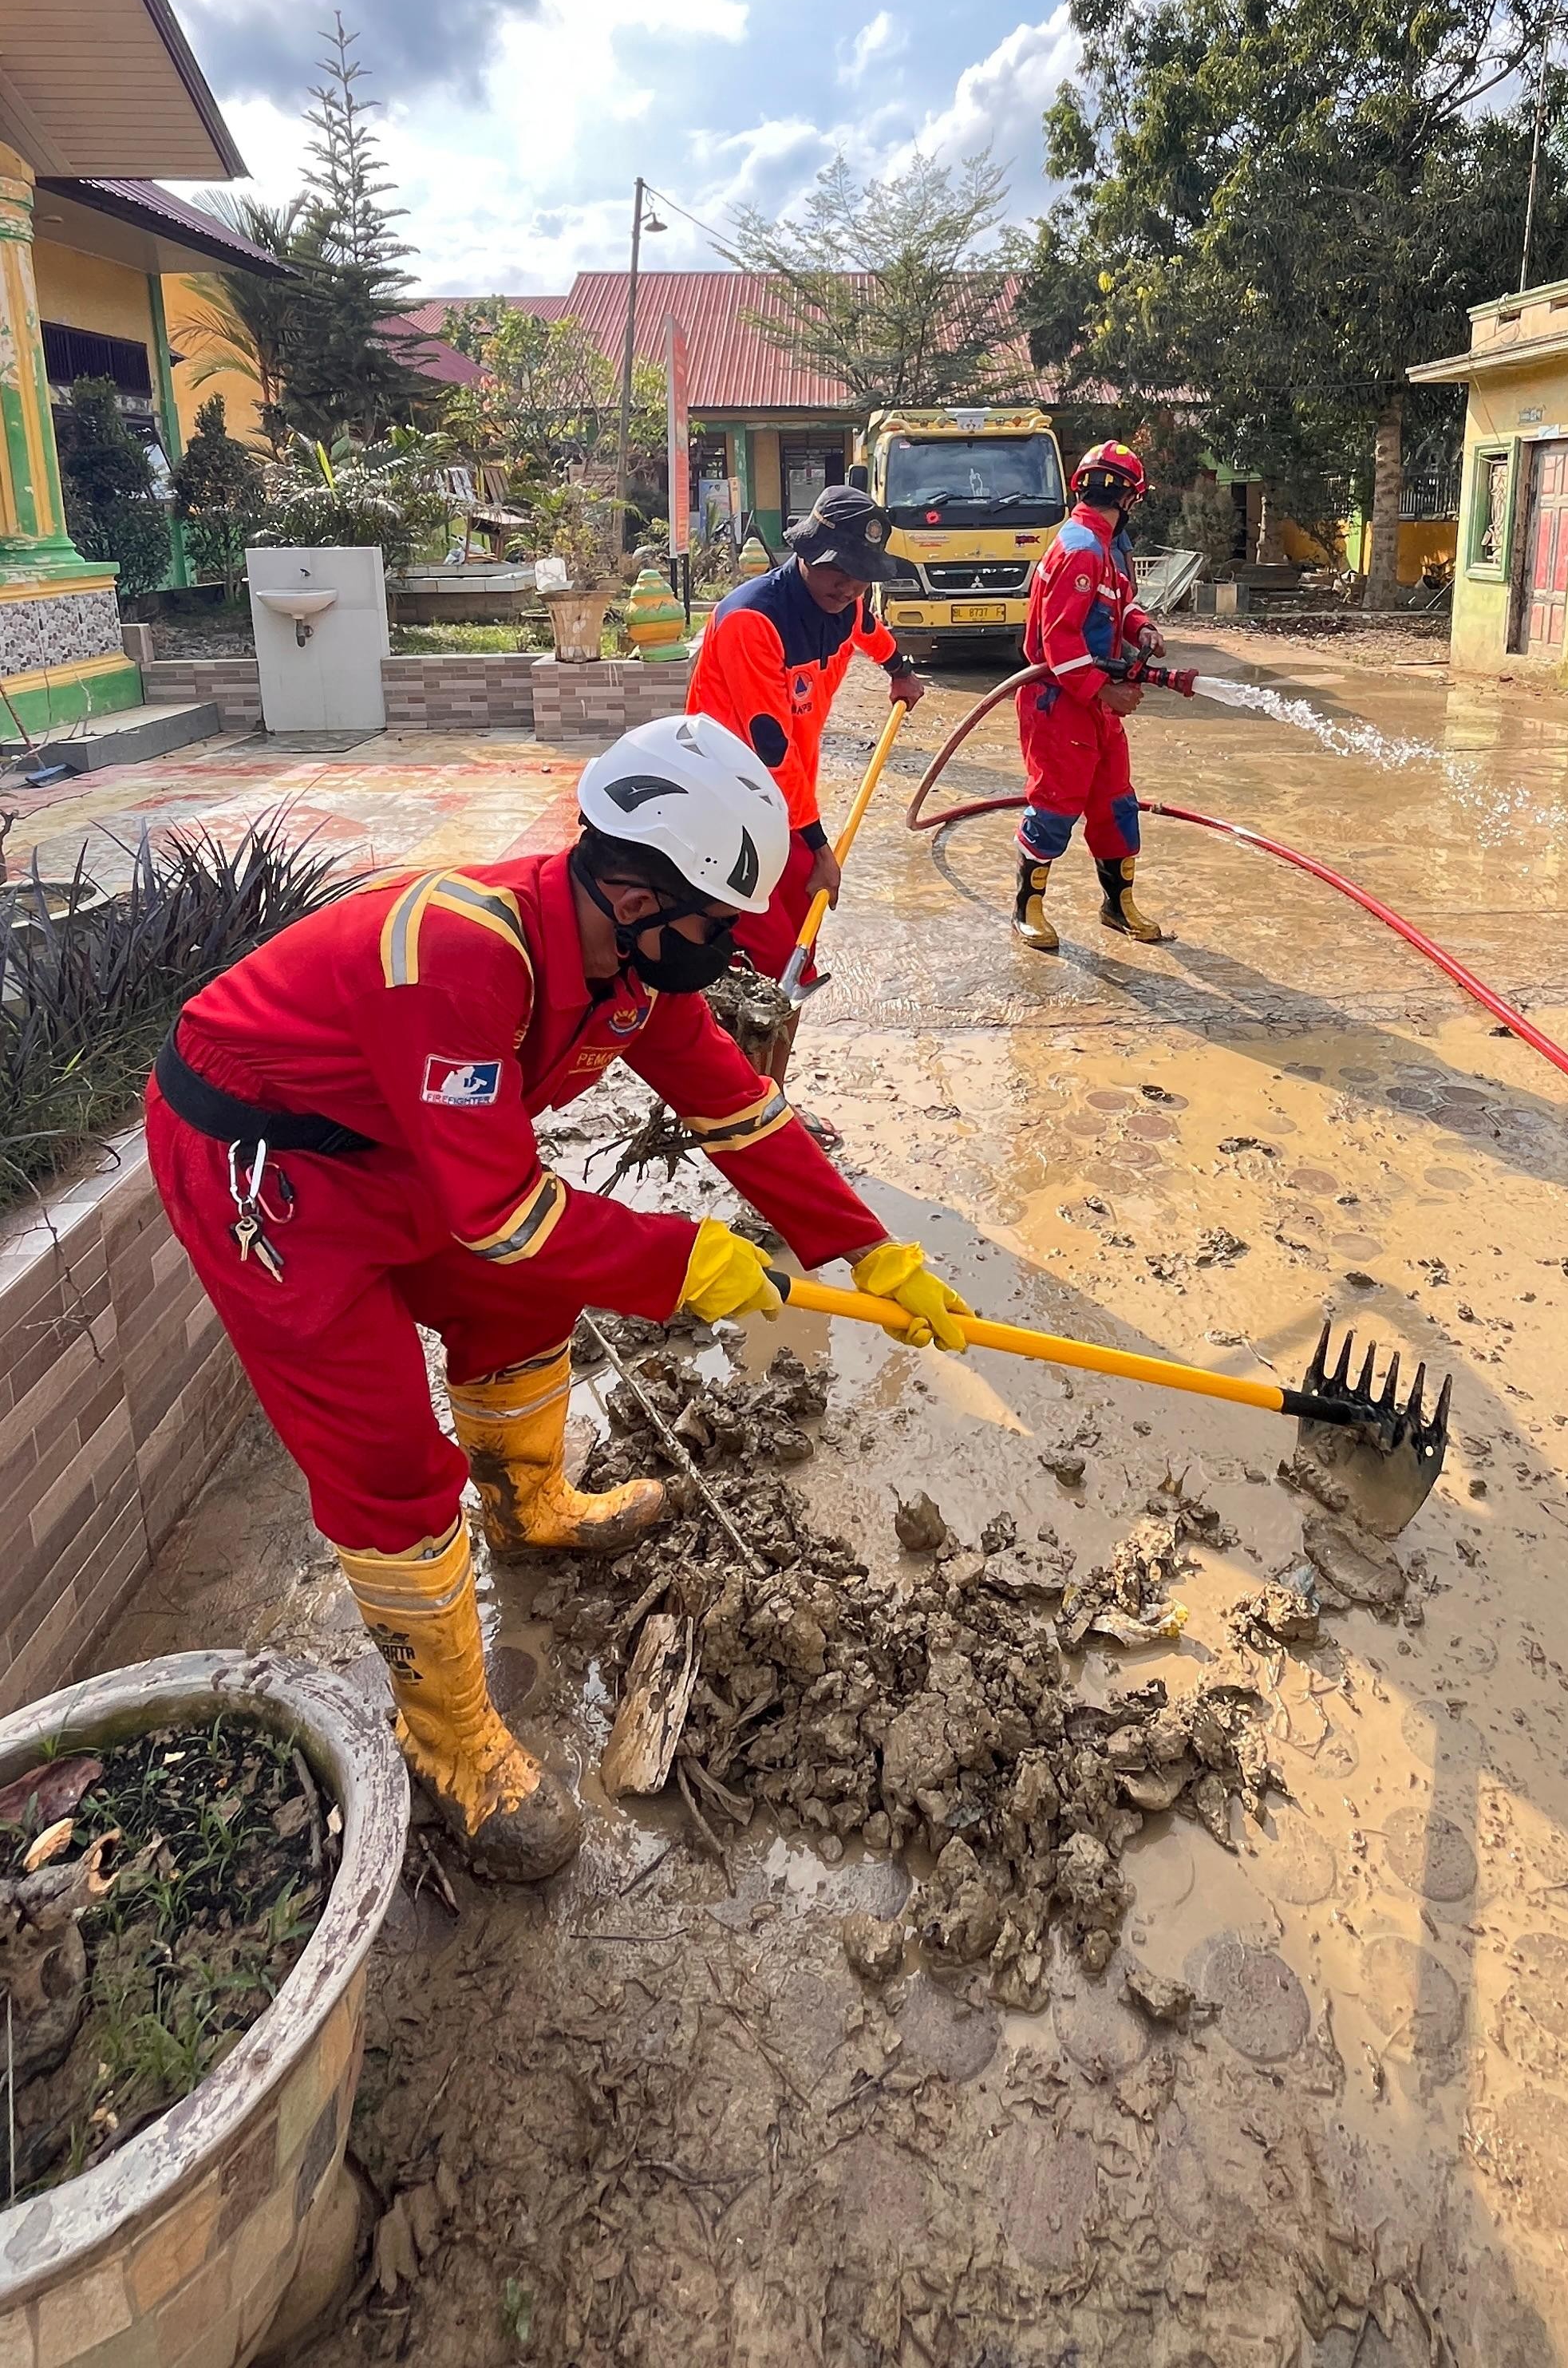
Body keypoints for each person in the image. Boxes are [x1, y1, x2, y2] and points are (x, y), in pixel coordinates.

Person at [144, 714, 974, 1884]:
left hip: (400, 1146)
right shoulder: (465, 952)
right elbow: (503, 1214)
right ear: (634, 889)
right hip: (269, 1169)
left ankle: (527, 1506)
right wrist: (682, 1264)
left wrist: (866, 1249)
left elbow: (737, 1110)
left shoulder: (626, 974)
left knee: (519, 1306)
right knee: (385, 1455)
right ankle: (446, 1743)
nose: (734, 945)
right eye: (718, 921)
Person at [688, 485, 926, 979]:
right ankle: (741, 1029)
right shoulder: (752, 622)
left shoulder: (847, 604)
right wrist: (820, 848)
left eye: (861, 578)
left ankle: (777, 1016)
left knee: (802, 919)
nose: (847, 589)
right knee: (760, 935)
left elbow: (870, 630)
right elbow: (771, 751)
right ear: (806, 552)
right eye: (837, 571)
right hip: (731, 793)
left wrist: (899, 670)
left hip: (790, 794)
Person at [1013, 439, 1165, 954]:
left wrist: (1140, 629)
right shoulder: (1081, 547)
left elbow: (1116, 604)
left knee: (1116, 803)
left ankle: (1117, 905)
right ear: (1128, 499)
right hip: (1061, 704)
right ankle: (1026, 910)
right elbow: (1059, 641)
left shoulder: (1101, 547)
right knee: (1055, 806)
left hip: (1096, 704)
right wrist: (1106, 690)